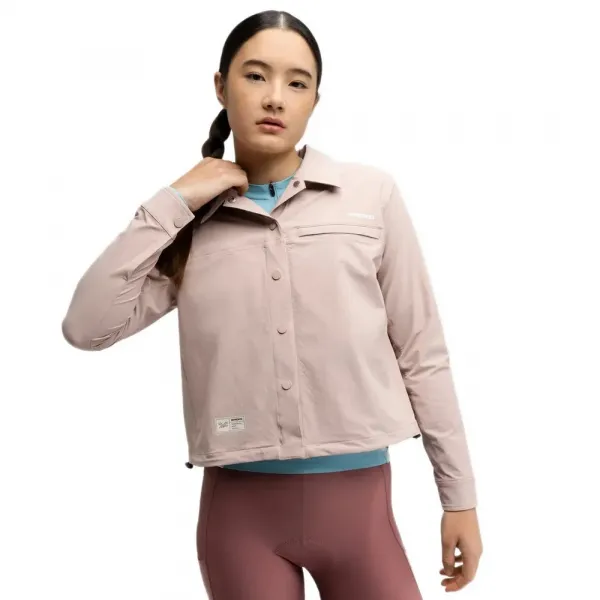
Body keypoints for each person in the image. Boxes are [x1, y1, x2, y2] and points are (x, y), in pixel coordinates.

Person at [61, 9, 483, 599]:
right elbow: (86, 327)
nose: (275, 98)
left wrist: (459, 498)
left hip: (361, 511)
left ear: (315, 100)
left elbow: (423, 353)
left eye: (297, 82)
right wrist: (175, 199)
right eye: (256, 75)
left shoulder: (371, 196)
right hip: (239, 521)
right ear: (221, 86)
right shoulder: (190, 222)